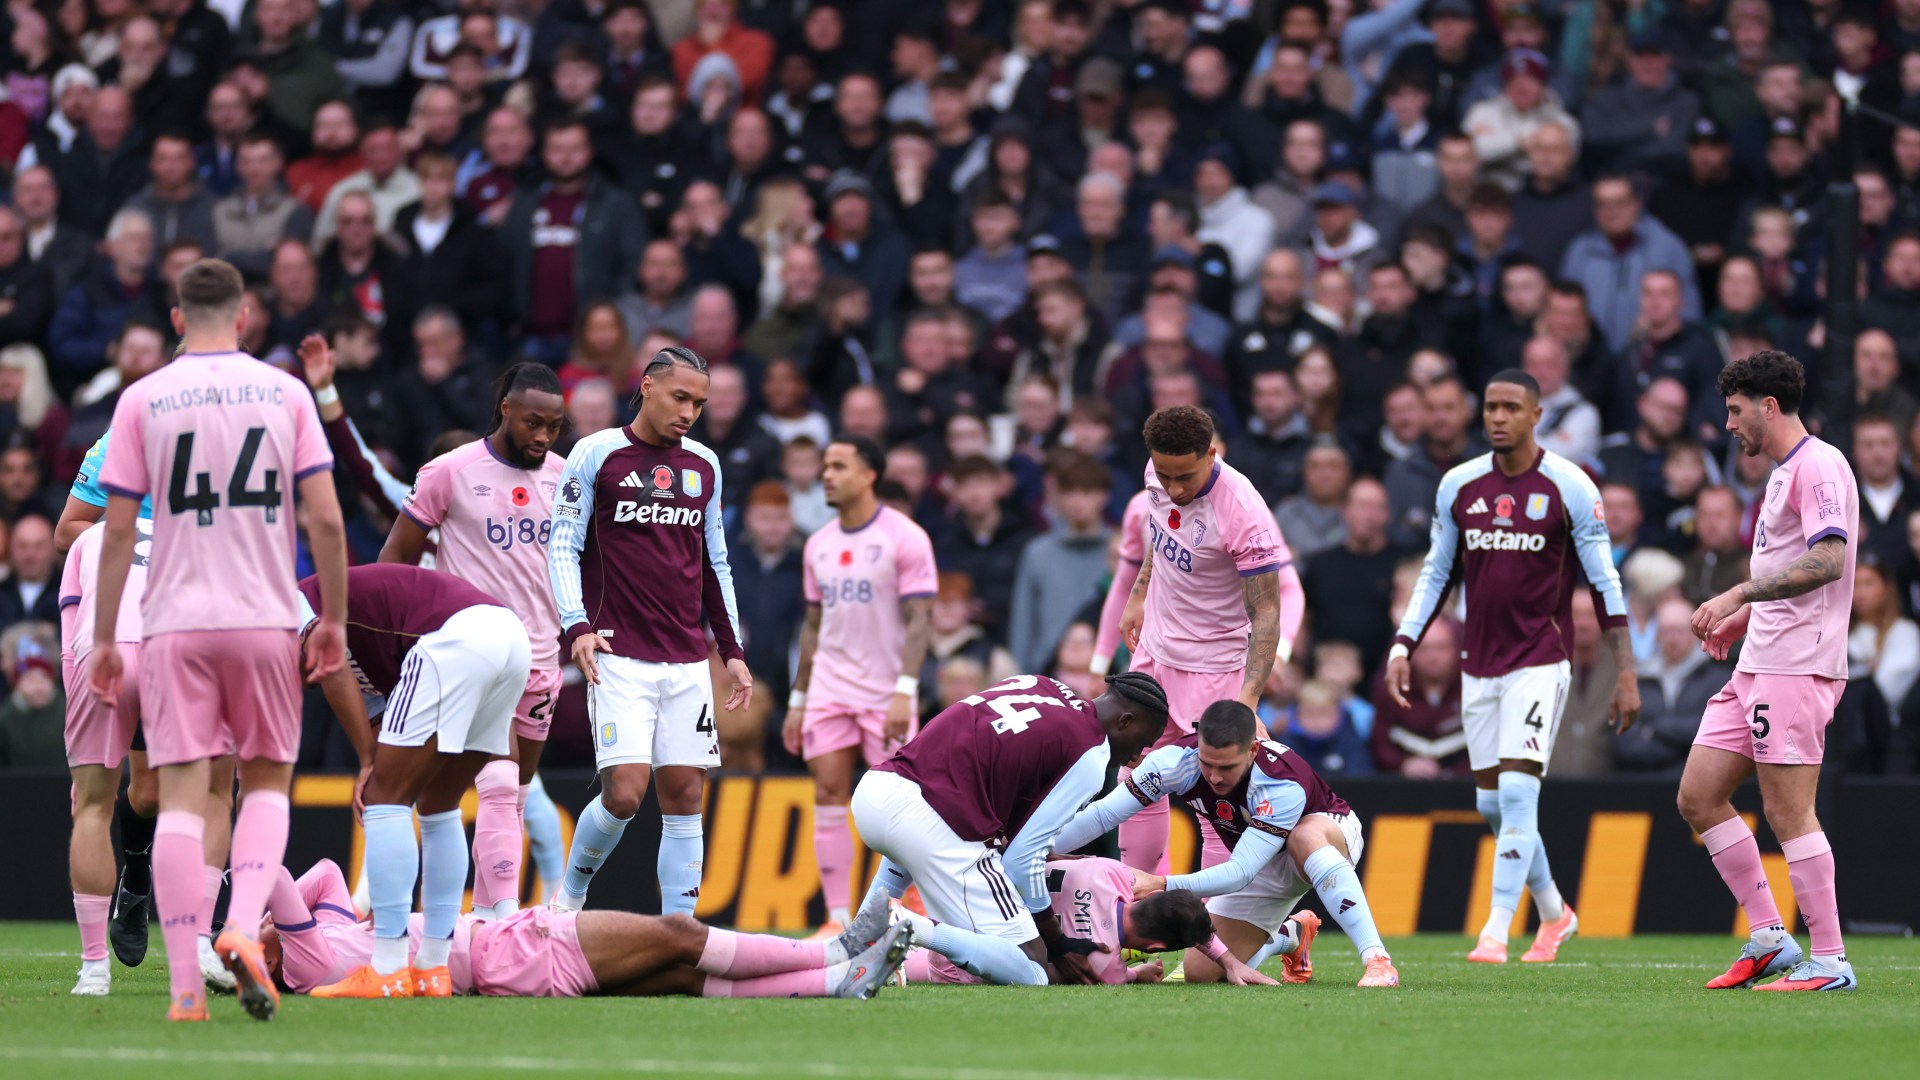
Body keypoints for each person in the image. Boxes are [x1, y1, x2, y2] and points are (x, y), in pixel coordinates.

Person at [88, 259, 349, 1022]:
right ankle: (237, 926)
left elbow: (113, 532)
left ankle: (181, 988)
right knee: (262, 784)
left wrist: (105, 635)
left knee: (176, 802)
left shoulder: (143, 398)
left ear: (176, 320)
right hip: (264, 617)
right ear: (244, 318)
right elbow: (327, 520)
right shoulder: (284, 392)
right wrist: (330, 618)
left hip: (174, 624)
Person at [1388, 368, 1639, 966]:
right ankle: (1555, 913)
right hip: (1479, 664)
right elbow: (1435, 572)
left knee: (1520, 794)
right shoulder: (1459, 486)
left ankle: (1496, 931)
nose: (1497, 417)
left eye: (1510, 407)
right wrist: (1403, 643)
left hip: (1541, 659)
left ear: (1536, 415)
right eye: (1490, 406)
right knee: (1491, 806)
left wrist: (1625, 670)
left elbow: (1604, 582)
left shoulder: (1570, 485)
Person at [547, 345, 750, 916]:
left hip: (686, 659)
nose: (689, 412)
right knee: (626, 793)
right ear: (647, 387)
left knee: (686, 796)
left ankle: (679, 932)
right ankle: (570, 899)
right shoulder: (596, 453)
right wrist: (577, 627)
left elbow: (715, 563)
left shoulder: (704, 465)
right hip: (617, 652)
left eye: (700, 403)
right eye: (680, 397)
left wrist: (730, 650)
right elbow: (563, 543)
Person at [1683, 350, 1861, 992]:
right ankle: (1769, 938)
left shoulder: (1818, 465)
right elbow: (1785, 571)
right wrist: (1745, 620)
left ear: (1767, 406)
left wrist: (1737, 596)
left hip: (1799, 666)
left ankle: (1832, 961)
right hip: (1760, 661)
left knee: (1789, 812)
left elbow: (1829, 561)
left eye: (1735, 412)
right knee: (1699, 795)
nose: (1729, 425)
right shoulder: (1783, 473)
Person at [378, 361, 568, 918]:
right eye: (533, 423)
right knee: (501, 783)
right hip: (473, 653)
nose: (542, 437)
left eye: (553, 427)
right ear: (505, 409)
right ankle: (502, 917)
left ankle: (487, 920)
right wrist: (402, 644)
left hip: (542, 657)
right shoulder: (449, 471)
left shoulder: (565, 478)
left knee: (516, 790)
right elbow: (396, 560)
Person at [295, 563, 531, 999]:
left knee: (384, 797)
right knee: (439, 803)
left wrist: (368, 762)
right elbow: (379, 714)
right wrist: (374, 757)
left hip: (456, 638)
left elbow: (327, 664)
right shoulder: (363, 653)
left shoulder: (279, 604)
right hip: (509, 639)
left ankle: (386, 967)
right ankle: (432, 968)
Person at [847, 670, 1170, 986]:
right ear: (1124, 721)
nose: (1134, 757)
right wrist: (1055, 942)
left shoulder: (1038, 682)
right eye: (1141, 743)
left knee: (916, 838)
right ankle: (903, 925)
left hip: (878, 789)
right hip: (931, 824)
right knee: (1033, 970)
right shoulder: (1091, 756)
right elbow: (1020, 860)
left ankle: (856, 949)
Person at [1056, 699, 1398, 987]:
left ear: (1252, 750)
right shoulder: (1174, 762)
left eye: (1227, 767)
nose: (1215, 776)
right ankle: (1291, 935)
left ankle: (1378, 960)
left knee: (1304, 835)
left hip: (1326, 835)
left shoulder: (1280, 782)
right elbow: (1103, 815)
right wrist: (1037, 848)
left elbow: (1239, 872)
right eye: (1207, 763)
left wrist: (1161, 882)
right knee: (1200, 972)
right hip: (1261, 857)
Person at [262, 857, 908, 999]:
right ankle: (832, 948)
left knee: (683, 975)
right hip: (511, 948)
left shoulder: (320, 946)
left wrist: (253, 930)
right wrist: (245, 923)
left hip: (505, 964)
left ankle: (836, 983)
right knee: (679, 933)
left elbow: (322, 877)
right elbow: (284, 874)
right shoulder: (303, 962)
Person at [1115, 406, 1306, 873]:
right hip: (1157, 654)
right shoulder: (1156, 474)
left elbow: (1266, 612)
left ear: (1211, 454)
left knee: (1216, 801)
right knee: (1136, 779)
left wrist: (1246, 701)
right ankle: (1142, 921)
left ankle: (1217, 930)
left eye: (1186, 476)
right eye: (1166, 476)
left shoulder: (1242, 511)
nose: (1175, 488)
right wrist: (1139, 593)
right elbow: (1161, 538)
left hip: (1217, 669)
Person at [785, 436, 936, 935]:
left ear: (869, 474)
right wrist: (797, 700)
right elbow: (811, 624)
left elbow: (921, 620)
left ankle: (901, 912)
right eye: (825, 466)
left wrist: (904, 689)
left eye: (838, 466)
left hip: (884, 692)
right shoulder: (818, 543)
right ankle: (834, 918)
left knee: (894, 807)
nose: (826, 475)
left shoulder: (906, 537)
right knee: (827, 790)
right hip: (828, 687)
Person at [58, 515, 151, 996]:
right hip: (171, 653)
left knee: (93, 808)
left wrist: (78, 744)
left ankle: (94, 969)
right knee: (199, 803)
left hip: (101, 652)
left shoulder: (89, 537)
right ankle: (193, 951)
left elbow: (69, 644)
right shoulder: (192, 529)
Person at [899, 855, 1219, 985]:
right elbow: (1108, 973)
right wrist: (1137, 974)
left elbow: (1056, 859)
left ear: (1149, 897)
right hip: (965, 964)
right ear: (1156, 946)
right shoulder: (1107, 965)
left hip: (967, 904)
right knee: (1031, 976)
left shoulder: (1110, 871)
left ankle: (897, 930)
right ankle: (901, 933)